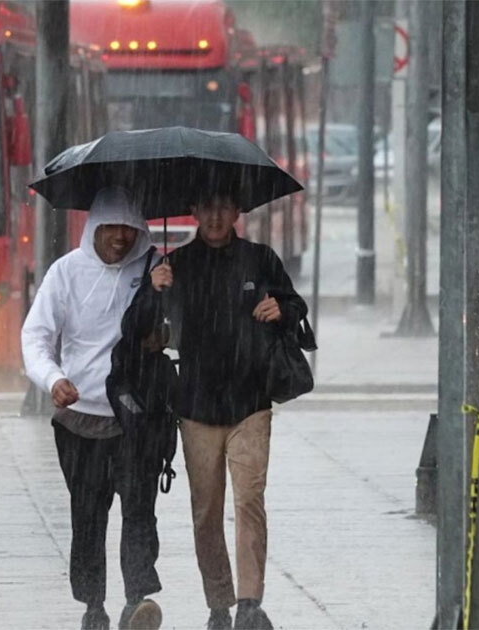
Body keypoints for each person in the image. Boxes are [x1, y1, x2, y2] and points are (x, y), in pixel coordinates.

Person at [124, 192, 307, 630]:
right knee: (206, 510)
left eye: (225, 207)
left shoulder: (261, 258)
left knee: (249, 500)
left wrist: (281, 308)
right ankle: (219, 603)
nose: (215, 216)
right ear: (195, 212)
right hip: (196, 407)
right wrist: (154, 290)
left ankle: (249, 602)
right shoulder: (175, 265)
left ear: (238, 213)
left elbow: (297, 307)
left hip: (250, 404)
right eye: (207, 207)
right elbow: (138, 328)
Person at [21, 187, 165, 630]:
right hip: (80, 420)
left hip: (136, 419)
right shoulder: (65, 273)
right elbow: (36, 337)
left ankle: (137, 598)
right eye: (111, 227)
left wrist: (163, 314)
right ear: (93, 228)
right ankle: (93, 606)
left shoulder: (154, 270)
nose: (120, 237)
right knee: (87, 516)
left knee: (139, 510)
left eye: (129, 228)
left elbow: (176, 330)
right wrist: (54, 379)